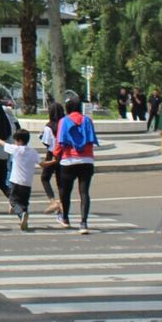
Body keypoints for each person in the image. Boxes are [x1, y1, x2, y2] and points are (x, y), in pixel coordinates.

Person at [50, 98, 99, 234]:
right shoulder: (87, 120)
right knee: (84, 192)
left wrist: (55, 155)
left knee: (66, 191)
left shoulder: (64, 121)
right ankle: (83, 223)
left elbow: (60, 141)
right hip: (87, 160)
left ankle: (65, 218)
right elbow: (91, 138)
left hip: (69, 160)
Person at [0, 129, 42, 231]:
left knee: (13, 201)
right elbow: (42, 164)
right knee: (24, 202)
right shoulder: (33, 151)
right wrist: (53, 161)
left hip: (16, 181)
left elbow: (4, 144)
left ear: (19, 141)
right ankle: (24, 219)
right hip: (27, 183)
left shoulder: (16, 149)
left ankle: (21, 214)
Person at [39, 103, 66, 214]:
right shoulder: (65, 124)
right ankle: (63, 204)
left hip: (52, 154)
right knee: (60, 181)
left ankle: (53, 201)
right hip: (63, 154)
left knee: (45, 178)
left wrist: (41, 136)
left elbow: (47, 143)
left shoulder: (49, 126)